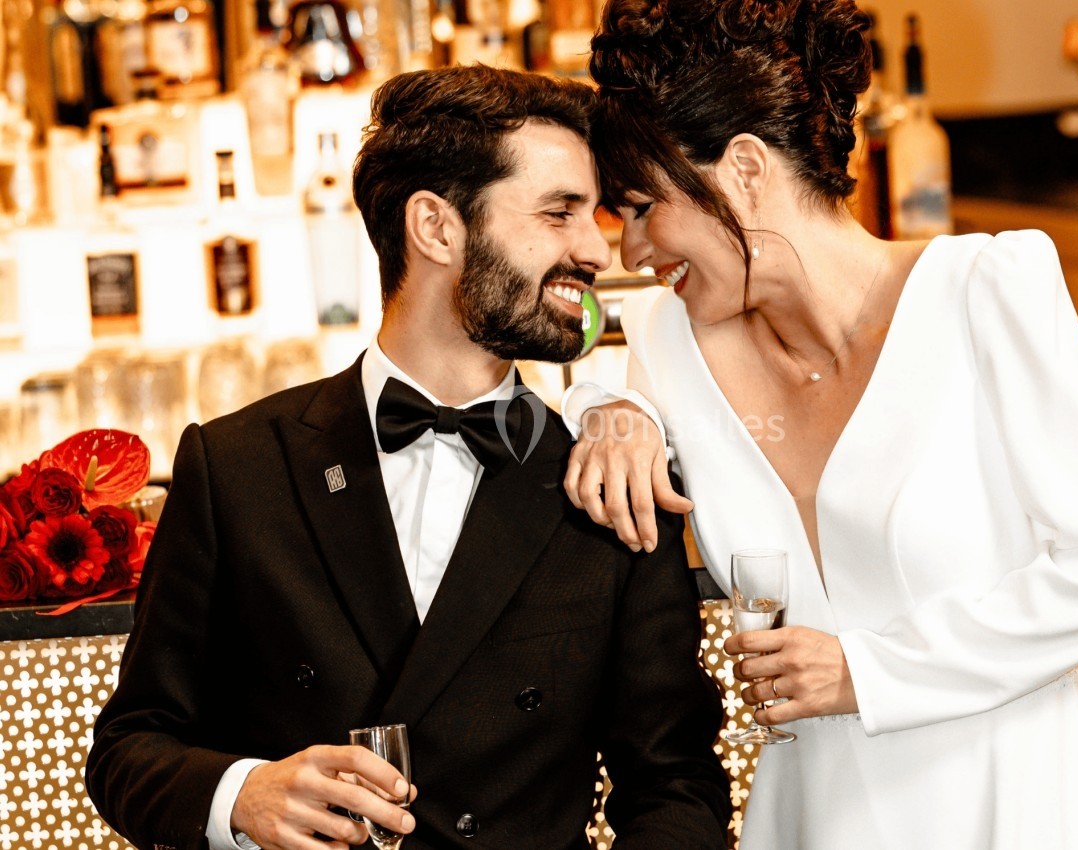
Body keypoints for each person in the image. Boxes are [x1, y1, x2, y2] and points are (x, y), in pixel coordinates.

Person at [561, 1, 1078, 848]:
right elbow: (567, 387)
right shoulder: (670, 339)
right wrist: (611, 409)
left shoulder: (988, 289)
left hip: (1014, 803)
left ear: (744, 166)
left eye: (641, 206)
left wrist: (871, 670)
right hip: (821, 814)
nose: (630, 252)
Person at [86, 65, 731, 850]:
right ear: (436, 227)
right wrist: (241, 797)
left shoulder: (613, 481)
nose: (596, 249)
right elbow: (130, 747)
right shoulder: (236, 467)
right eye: (559, 213)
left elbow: (674, 784)